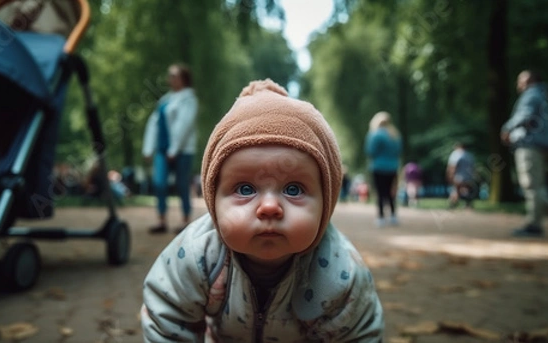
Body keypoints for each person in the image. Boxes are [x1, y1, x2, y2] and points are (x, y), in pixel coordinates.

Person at [141, 79, 384, 342]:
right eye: (245, 189)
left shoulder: (341, 273)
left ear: (327, 202)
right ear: (213, 200)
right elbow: (167, 317)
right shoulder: (195, 255)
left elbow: (359, 335)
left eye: (293, 189)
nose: (269, 207)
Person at [501, 69, 548, 237]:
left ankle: (536, 223)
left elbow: (525, 115)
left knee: (531, 186)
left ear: (529, 81)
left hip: (529, 146)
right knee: (537, 187)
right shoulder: (541, 95)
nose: (518, 84)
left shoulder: (531, 95)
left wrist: (507, 129)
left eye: (520, 80)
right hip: (538, 146)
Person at [142, 63, 198, 234]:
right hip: (161, 149)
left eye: (174, 75)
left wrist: (174, 149)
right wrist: (148, 148)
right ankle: (161, 220)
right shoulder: (165, 100)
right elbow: (154, 125)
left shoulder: (189, 99)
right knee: (159, 184)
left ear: (183, 78)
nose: (170, 79)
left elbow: (184, 124)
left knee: (182, 185)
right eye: (170, 75)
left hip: (182, 151)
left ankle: (186, 220)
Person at [365, 111, 402, 227]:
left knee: (380, 192)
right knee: (391, 192)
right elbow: (399, 151)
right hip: (393, 167)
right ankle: (393, 216)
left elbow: (370, 151)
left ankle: (381, 217)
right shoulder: (395, 135)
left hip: (378, 167)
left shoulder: (375, 134)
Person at [446, 142, 477, 209]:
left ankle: (453, 204)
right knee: (466, 190)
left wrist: (450, 175)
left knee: (456, 189)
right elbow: (473, 167)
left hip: (459, 175)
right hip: (468, 176)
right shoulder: (469, 155)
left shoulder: (456, 154)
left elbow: (453, 166)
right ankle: (468, 205)